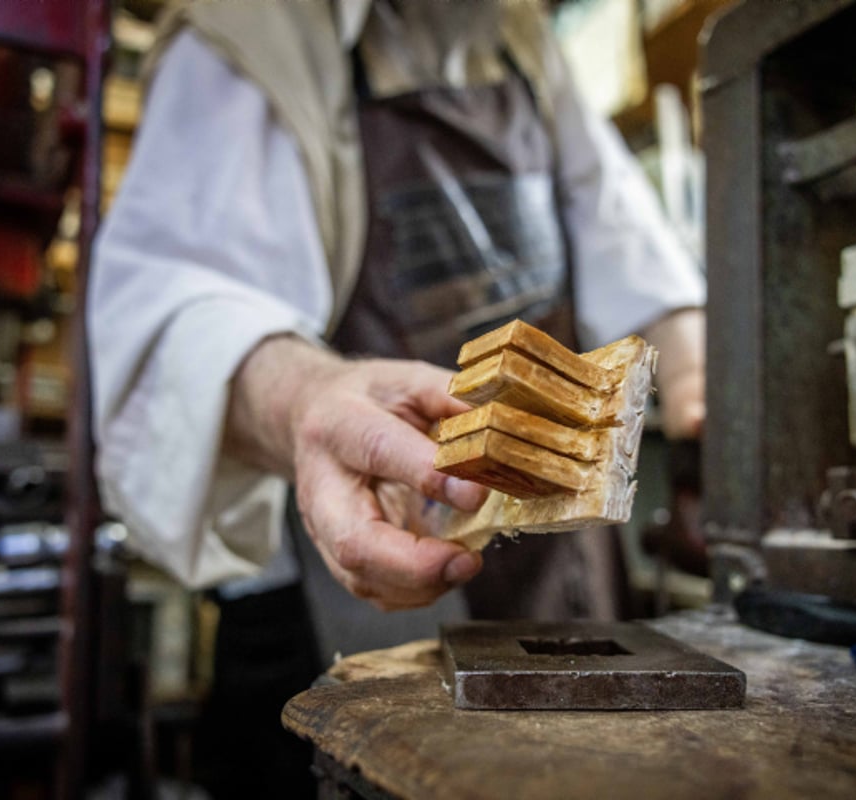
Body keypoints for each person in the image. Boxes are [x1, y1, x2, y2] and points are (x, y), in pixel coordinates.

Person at [89, 0, 706, 794]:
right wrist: (308, 398)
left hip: (560, 570)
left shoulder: (521, 45)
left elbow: (633, 250)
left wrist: (696, 393)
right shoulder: (246, 32)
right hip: (354, 585)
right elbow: (170, 312)